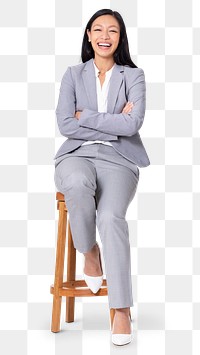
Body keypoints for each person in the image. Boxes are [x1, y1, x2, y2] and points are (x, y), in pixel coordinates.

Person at [54, 8, 150, 346]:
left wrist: (88, 116)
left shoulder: (133, 76)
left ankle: (120, 309)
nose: (105, 36)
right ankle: (89, 252)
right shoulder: (72, 74)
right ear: (89, 36)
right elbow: (66, 124)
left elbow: (132, 125)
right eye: (98, 29)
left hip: (120, 158)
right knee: (78, 184)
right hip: (75, 154)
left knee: (111, 217)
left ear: (120, 38)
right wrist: (111, 119)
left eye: (112, 30)